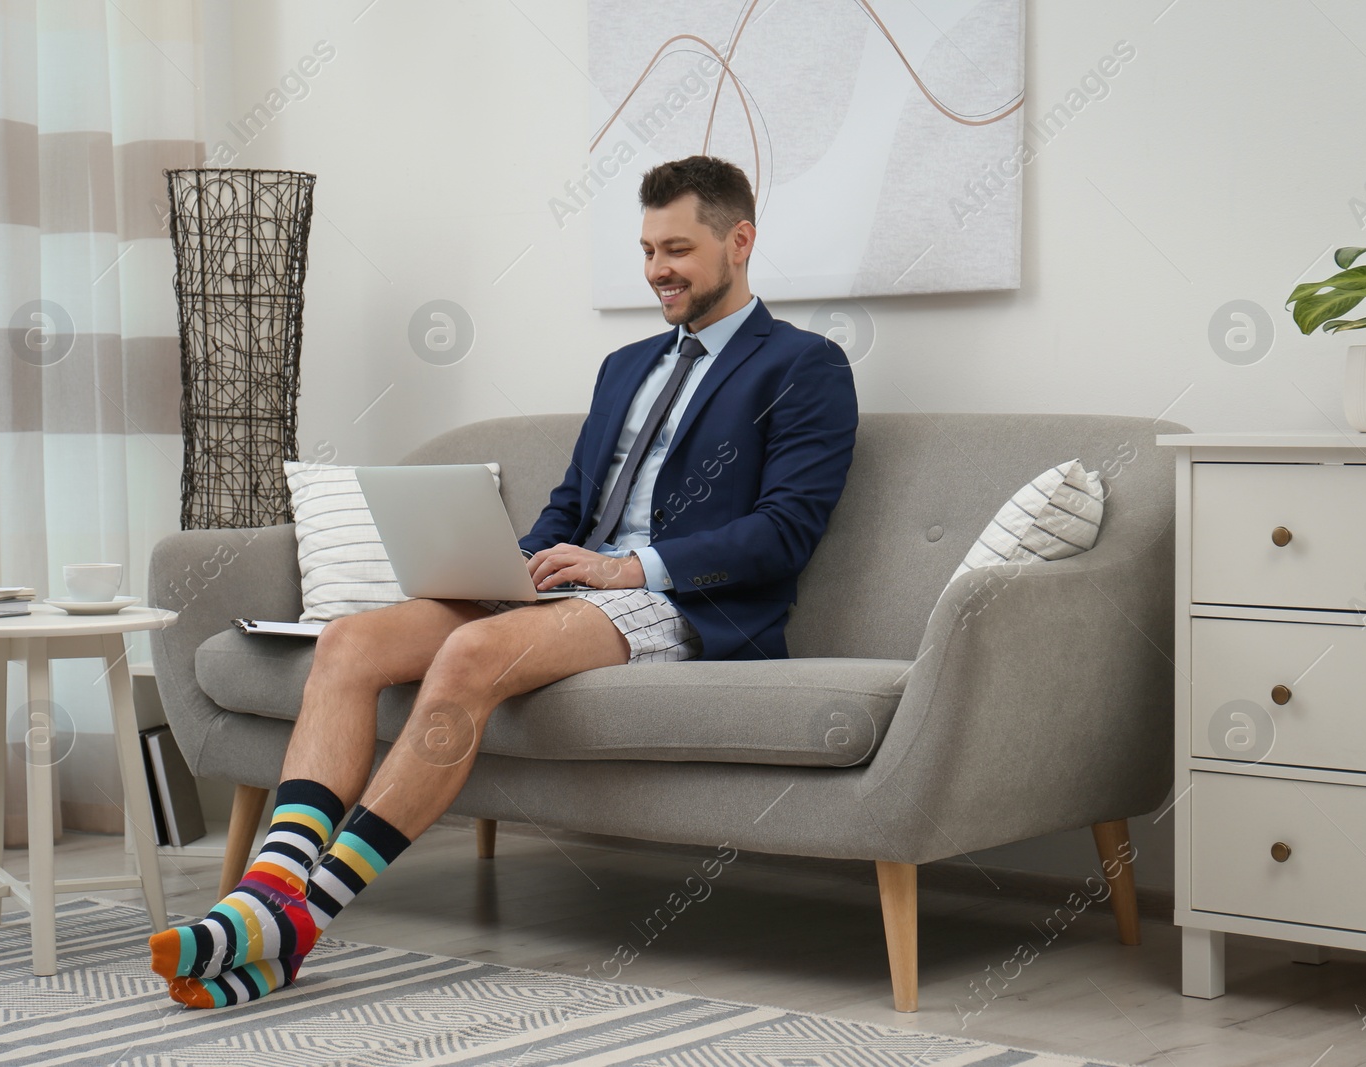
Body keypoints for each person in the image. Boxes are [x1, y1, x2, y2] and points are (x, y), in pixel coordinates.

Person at [148, 155, 859, 1007]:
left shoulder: (804, 366)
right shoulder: (625, 365)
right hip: (573, 588)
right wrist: (507, 563)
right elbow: (571, 502)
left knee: (470, 653)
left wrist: (627, 566)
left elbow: (785, 532)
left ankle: (306, 918)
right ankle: (267, 897)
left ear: (739, 240)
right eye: (645, 249)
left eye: (677, 248)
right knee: (350, 640)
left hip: (682, 603)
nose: (657, 269)